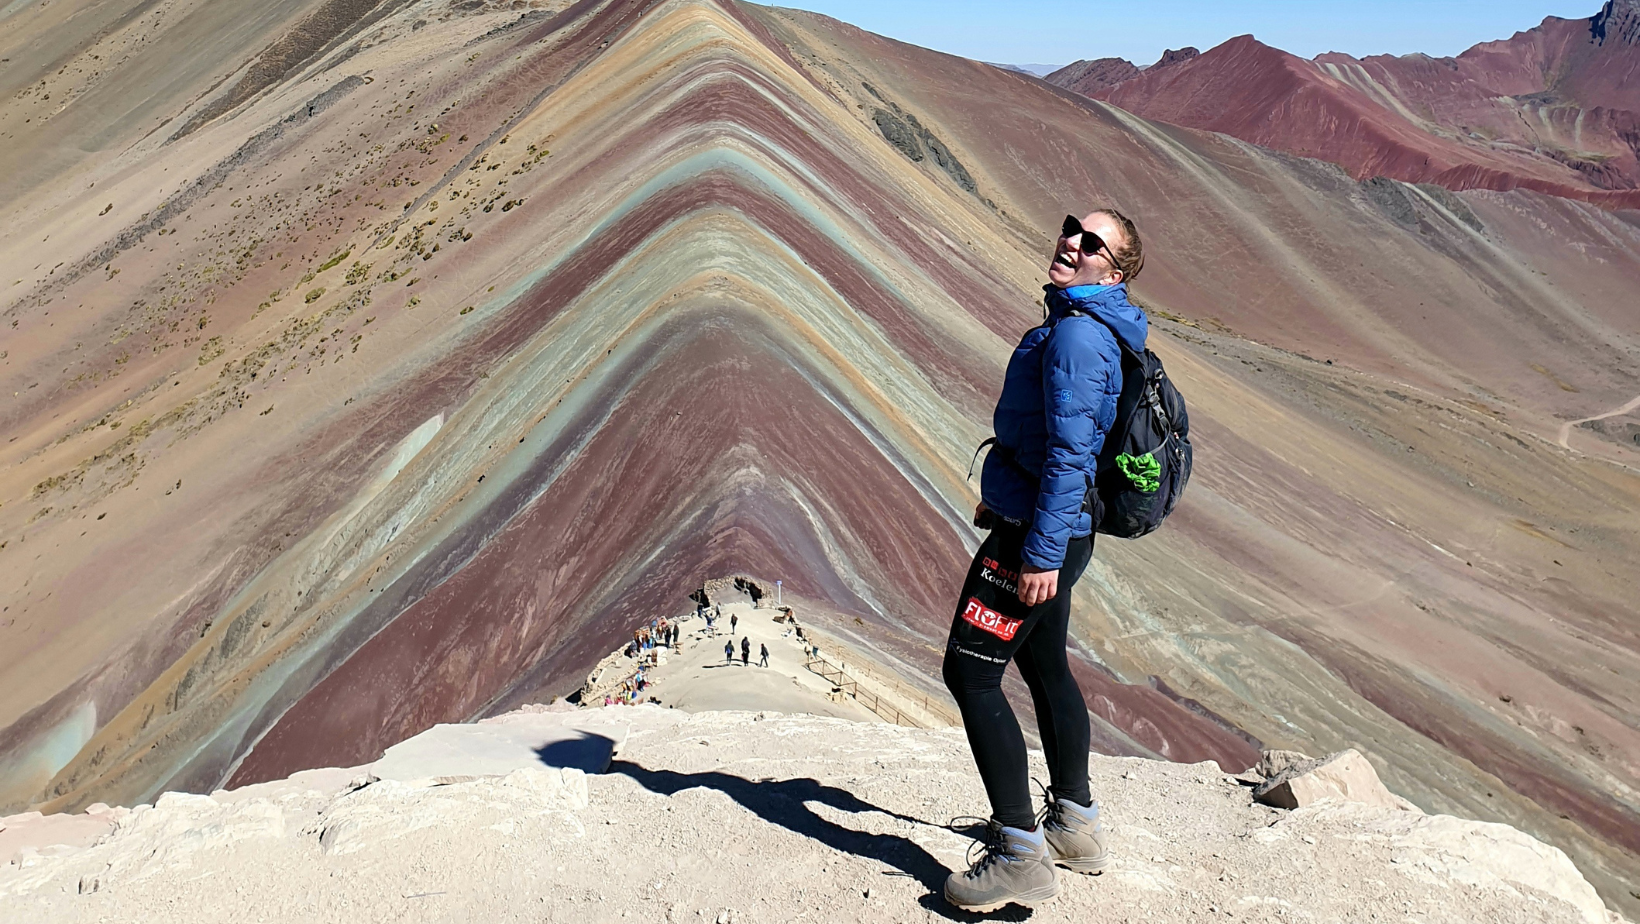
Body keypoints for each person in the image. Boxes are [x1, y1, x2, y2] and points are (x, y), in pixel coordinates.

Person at [941, 209, 1144, 911]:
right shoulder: (1080, 326)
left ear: (1111, 272)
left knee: (969, 672)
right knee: (1043, 662)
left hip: (1039, 538)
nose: (1070, 242)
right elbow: (1045, 442)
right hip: (1042, 525)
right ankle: (1075, 827)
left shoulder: (1080, 339)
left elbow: (1070, 454)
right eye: (1069, 228)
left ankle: (1019, 855)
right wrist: (1001, 499)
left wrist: (1037, 550)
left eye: (1091, 243)